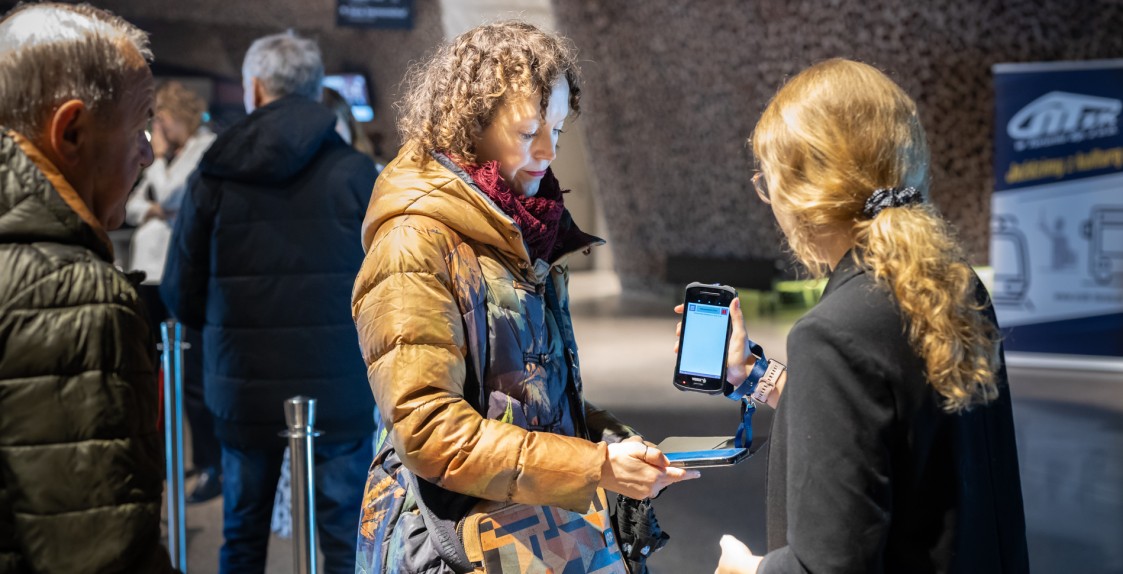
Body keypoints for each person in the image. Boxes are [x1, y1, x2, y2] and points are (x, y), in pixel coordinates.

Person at [353, 21, 696, 574]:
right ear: (470, 124)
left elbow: (524, 394)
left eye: (557, 130)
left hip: (526, 530)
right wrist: (595, 465)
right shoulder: (413, 242)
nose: (546, 151)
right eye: (528, 130)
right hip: (449, 543)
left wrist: (612, 444)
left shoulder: (514, 225)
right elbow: (429, 432)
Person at [706, 59, 1029, 573]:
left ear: (800, 191)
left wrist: (748, 569)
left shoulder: (832, 333)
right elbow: (882, 430)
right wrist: (754, 377)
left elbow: (830, 565)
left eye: (767, 182)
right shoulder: (951, 283)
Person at [161, 31, 378, 573]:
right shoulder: (357, 174)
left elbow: (180, 288)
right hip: (340, 384)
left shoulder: (213, 172)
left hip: (243, 384)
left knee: (242, 532)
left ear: (254, 88)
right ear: (313, 87)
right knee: (345, 537)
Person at [0, 3, 174, 572]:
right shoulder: (77, 298)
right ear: (71, 131)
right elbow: (103, 552)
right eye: (139, 125)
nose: (146, 152)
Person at [126, 79, 223, 503]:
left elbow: (174, 195)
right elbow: (129, 206)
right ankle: (158, 455)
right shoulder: (166, 156)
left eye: (161, 120)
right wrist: (150, 204)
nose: (157, 130)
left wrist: (155, 186)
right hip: (145, 271)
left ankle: (208, 463)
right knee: (148, 372)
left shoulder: (203, 148)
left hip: (180, 273)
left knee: (193, 377)